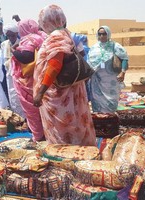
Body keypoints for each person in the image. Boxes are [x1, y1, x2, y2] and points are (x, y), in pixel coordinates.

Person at [33, 4, 96, 146]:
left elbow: (55, 65)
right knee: (74, 121)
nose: (40, 24)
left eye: (42, 20)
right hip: (69, 90)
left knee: (62, 128)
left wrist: (40, 92)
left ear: (48, 20)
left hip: (59, 95)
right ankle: (78, 149)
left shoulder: (55, 37)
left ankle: (65, 155)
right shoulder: (65, 33)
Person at [11, 19, 46, 142]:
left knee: (32, 110)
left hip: (28, 81)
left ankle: (37, 136)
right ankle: (46, 133)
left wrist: (14, 52)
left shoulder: (29, 39)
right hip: (40, 78)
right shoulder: (41, 37)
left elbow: (26, 57)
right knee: (42, 109)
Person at [87, 26, 129, 113]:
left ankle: (110, 120)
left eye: (104, 34)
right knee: (97, 100)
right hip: (96, 81)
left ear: (108, 34)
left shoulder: (115, 46)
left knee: (111, 101)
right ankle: (99, 121)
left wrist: (123, 72)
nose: (102, 36)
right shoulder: (94, 48)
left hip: (111, 82)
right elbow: (89, 62)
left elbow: (124, 58)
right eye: (100, 34)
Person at [1, 23, 25, 118]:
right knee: (12, 96)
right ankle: (16, 118)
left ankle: (24, 118)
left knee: (20, 96)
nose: (11, 37)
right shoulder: (3, 44)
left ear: (16, 33)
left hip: (20, 74)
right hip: (9, 74)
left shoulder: (22, 43)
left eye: (13, 35)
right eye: (8, 35)